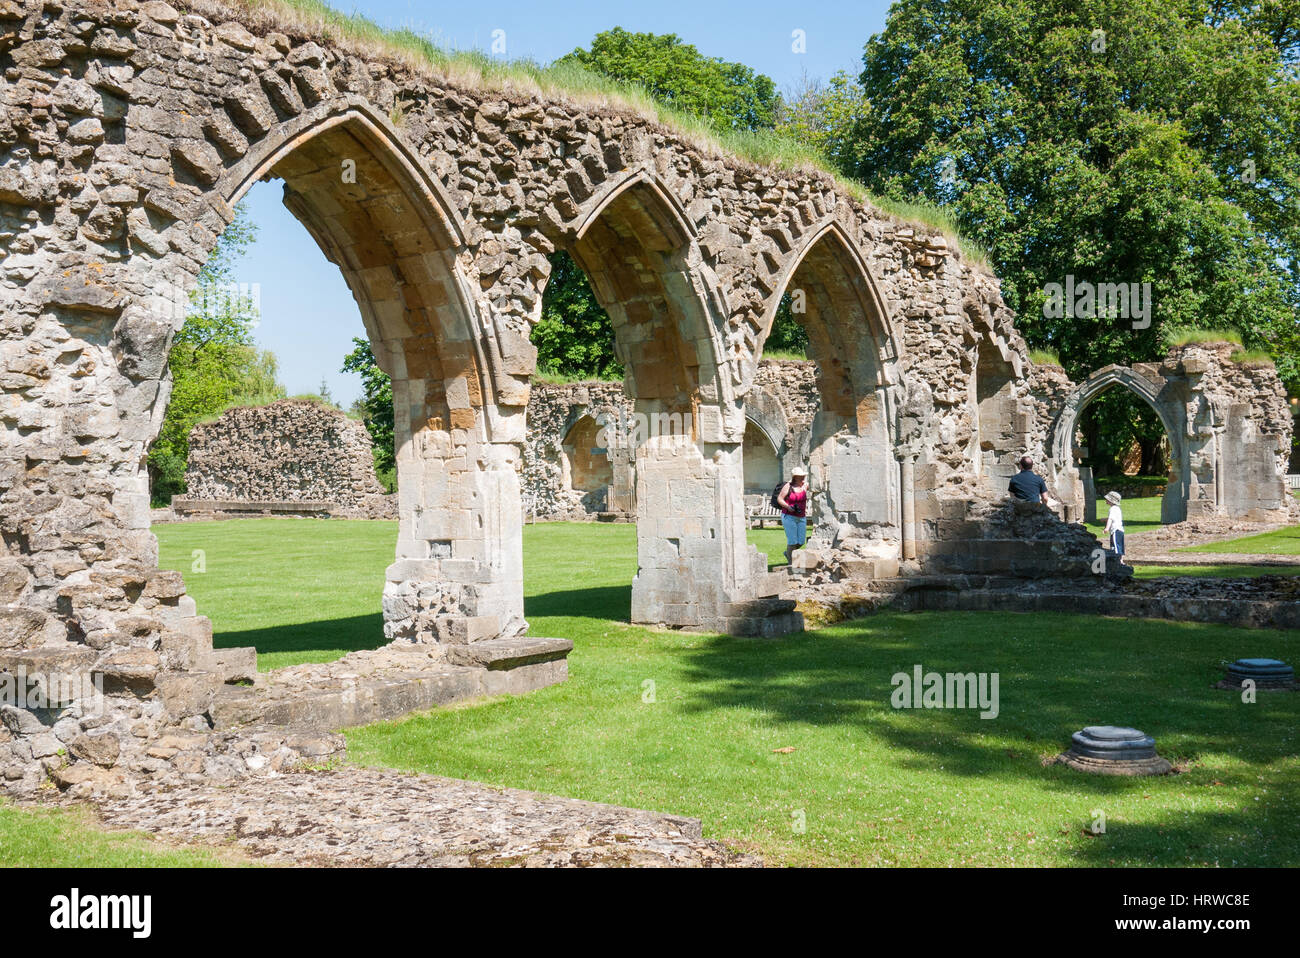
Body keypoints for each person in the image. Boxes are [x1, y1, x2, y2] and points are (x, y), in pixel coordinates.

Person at [776, 465, 809, 565]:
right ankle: (792, 564)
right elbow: (779, 499)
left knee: (801, 541)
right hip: (789, 516)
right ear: (795, 477)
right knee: (792, 541)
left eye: (803, 475)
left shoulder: (805, 486)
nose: (803, 477)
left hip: (801, 516)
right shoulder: (788, 486)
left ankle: (788, 553)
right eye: (800, 476)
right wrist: (788, 507)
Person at [1104, 490, 1126, 564]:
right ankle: (1121, 560)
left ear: (1111, 500)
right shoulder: (1117, 509)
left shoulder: (1112, 509)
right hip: (1120, 530)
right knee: (1120, 545)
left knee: (1115, 546)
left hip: (1115, 530)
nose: (1106, 500)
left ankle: (1118, 561)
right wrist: (1104, 519)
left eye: (1107, 499)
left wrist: (1107, 528)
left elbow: (1110, 519)